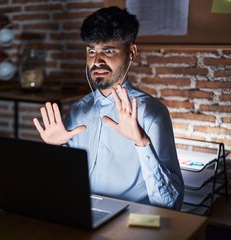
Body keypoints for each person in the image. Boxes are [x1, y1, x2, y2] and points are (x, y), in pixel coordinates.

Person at [33, 6, 184, 210]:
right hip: (84, 216)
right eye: (91, 50)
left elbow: (171, 205)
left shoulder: (151, 113)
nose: (97, 61)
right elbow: (63, 186)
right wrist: (56, 151)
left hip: (133, 223)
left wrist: (142, 142)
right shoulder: (78, 110)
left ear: (131, 52)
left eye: (108, 50)